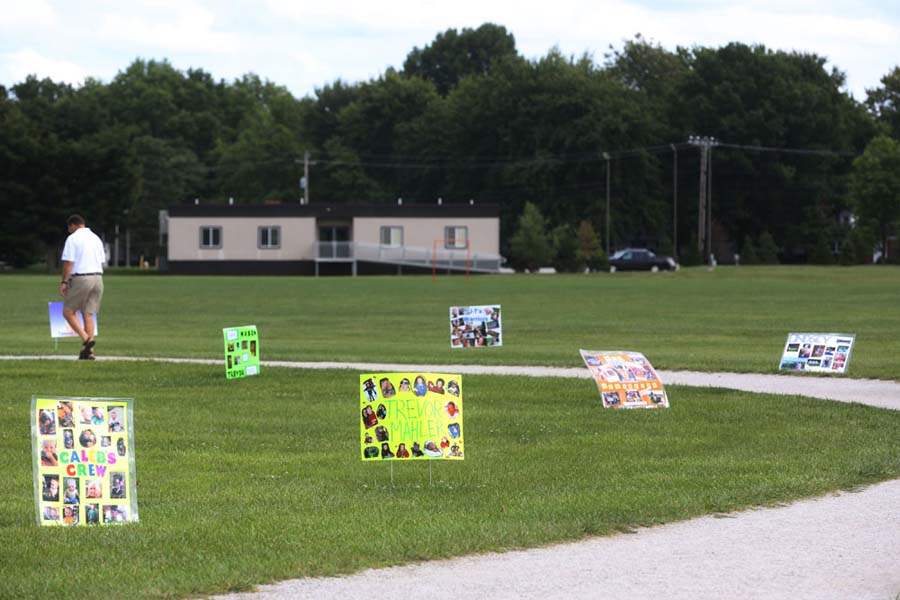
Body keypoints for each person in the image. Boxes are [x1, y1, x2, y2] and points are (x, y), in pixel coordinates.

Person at [59, 214, 106, 360]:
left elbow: (68, 263)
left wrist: (64, 282)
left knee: (68, 312)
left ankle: (86, 339)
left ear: (72, 225)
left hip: (82, 278)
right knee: (88, 314)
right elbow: (102, 260)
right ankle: (89, 352)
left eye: (69, 229)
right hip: (98, 278)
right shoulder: (96, 238)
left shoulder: (73, 238)